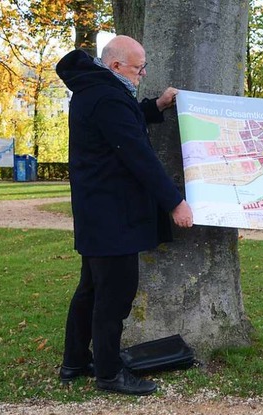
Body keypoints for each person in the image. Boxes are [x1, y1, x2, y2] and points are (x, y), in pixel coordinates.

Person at [55, 35, 194, 395]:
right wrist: (174, 202)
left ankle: (74, 361)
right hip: (113, 215)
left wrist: (156, 106)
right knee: (114, 297)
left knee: (89, 290)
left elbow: (122, 124)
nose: (143, 72)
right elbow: (136, 153)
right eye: (138, 67)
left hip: (97, 213)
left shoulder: (97, 90)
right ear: (116, 66)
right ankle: (109, 372)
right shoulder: (107, 97)